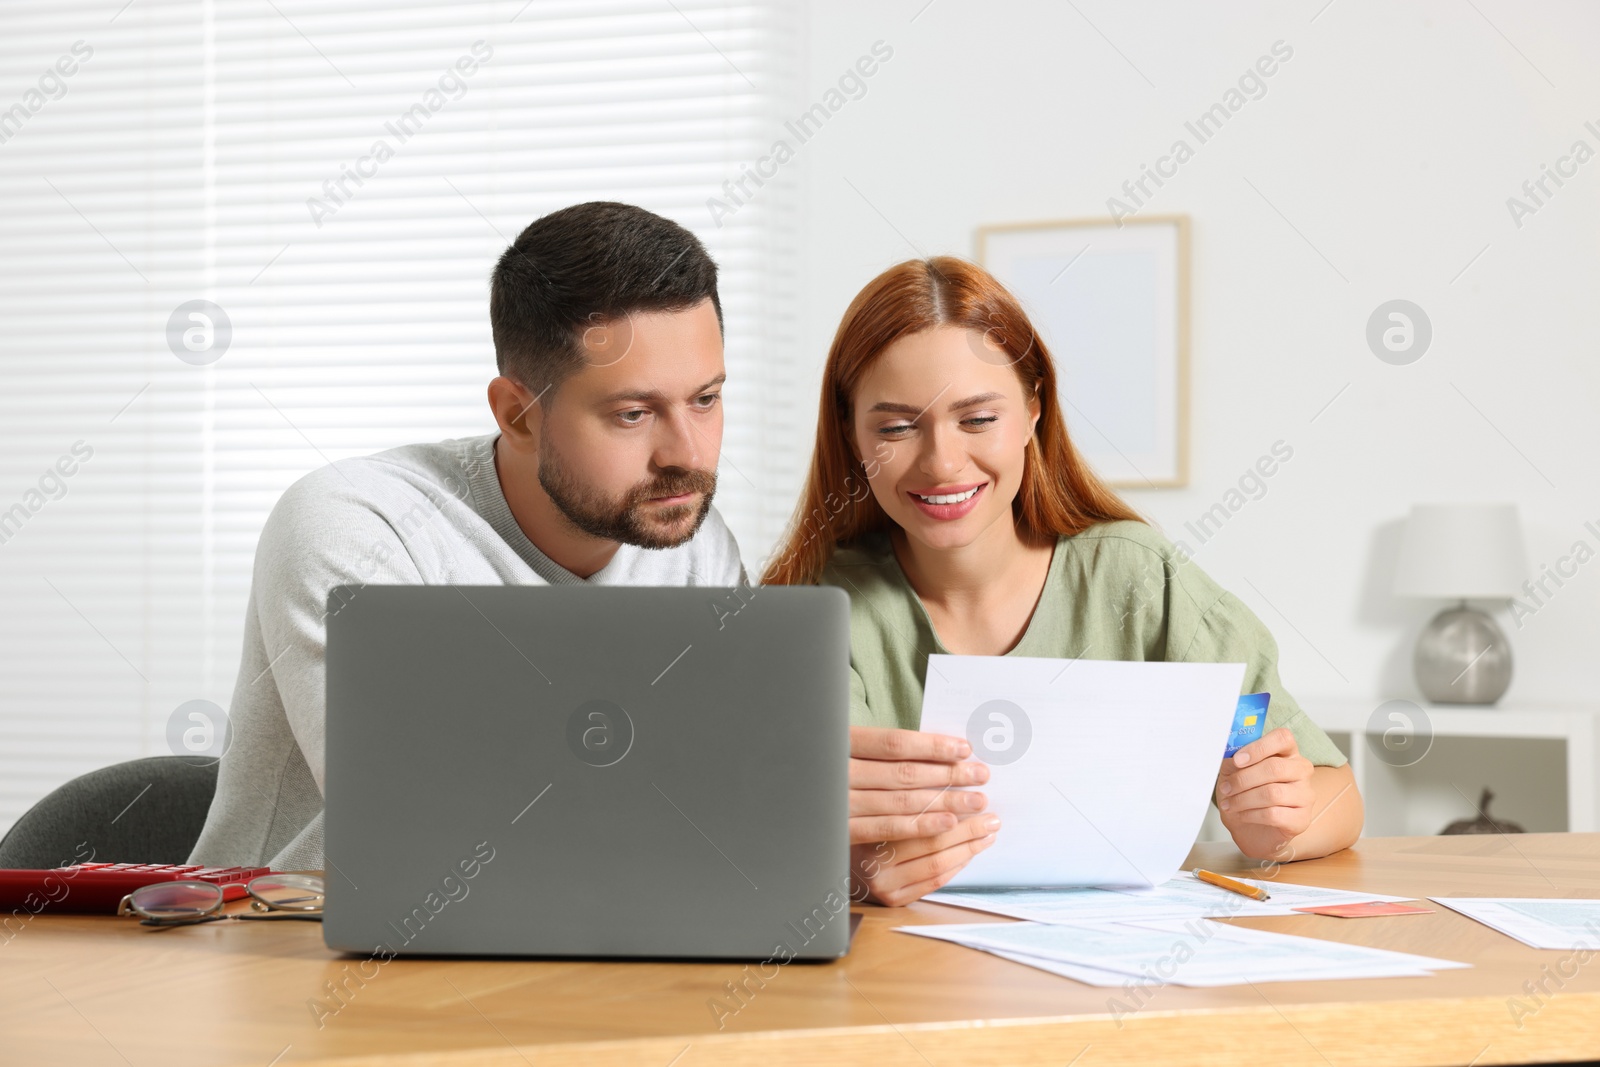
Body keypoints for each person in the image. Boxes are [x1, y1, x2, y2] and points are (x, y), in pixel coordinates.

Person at [763, 256, 1363, 907]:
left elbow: (1338, 791)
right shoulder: (815, 611)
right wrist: (846, 867)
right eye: (897, 427)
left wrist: (1284, 823)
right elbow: (754, 834)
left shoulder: (1137, 578)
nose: (941, 462)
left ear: (1032, 412)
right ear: (851, 435)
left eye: (978, 418)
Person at [188, 202, 744, 871]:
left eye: (705, 399)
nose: (686, 452)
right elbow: (416, 823)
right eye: (633, 413)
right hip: (286, 951)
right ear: (518, 414)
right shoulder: (358, 525)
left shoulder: (693, 540)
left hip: (588, 941)